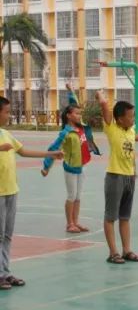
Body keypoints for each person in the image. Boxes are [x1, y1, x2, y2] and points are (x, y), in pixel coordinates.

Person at [0, 96, 63, 289]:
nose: (9, 115)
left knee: (7, 235)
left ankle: (5, 272)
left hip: (11, 190)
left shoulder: (5, 133)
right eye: (7, 112)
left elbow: (24, 151)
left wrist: (51, 154)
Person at [97, 90, 138, 264]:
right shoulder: (112, 128)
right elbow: (106, 111)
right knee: (110, 216)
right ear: (120, 119)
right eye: (130, 116)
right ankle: (113, 252)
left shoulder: (131, 130)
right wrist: (102, 98)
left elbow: (131, 141)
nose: (133, 119)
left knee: (125, 217)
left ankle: (127, 250)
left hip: (129, 177)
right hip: (115, 176)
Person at [41, 89, 100, 233]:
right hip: (71, 168)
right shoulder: (65, 132)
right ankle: (70, 224)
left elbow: (74, 103)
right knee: (71, 196)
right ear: (68, 115)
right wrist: (46, 167)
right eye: (76, 113)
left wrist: (70, 91)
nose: (79, 115)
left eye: (80, 113)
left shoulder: (81, 127)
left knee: (78, 197)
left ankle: (76, 222)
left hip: (82, 166)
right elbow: (53, 149)